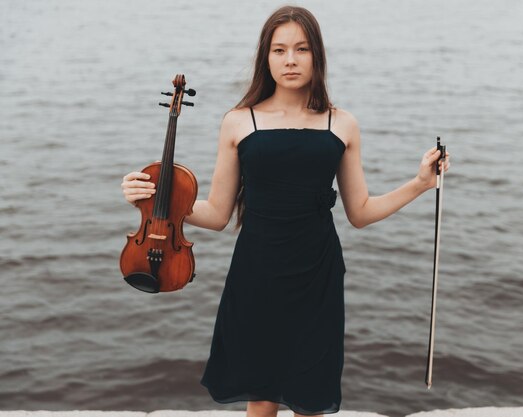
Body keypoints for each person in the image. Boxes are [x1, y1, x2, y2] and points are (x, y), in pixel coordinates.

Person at [120, 5, 450, 417]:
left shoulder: (341, 123)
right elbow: (218, 214)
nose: (290, 60)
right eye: (279, 50)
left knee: (311, 398)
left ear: (317, 56)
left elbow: (361, 212)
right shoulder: (240, 121)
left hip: (317, 272)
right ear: (266, 57)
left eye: (301, 49)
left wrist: (420, 183)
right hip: (257, 271)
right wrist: (155, 203)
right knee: (261, 397)